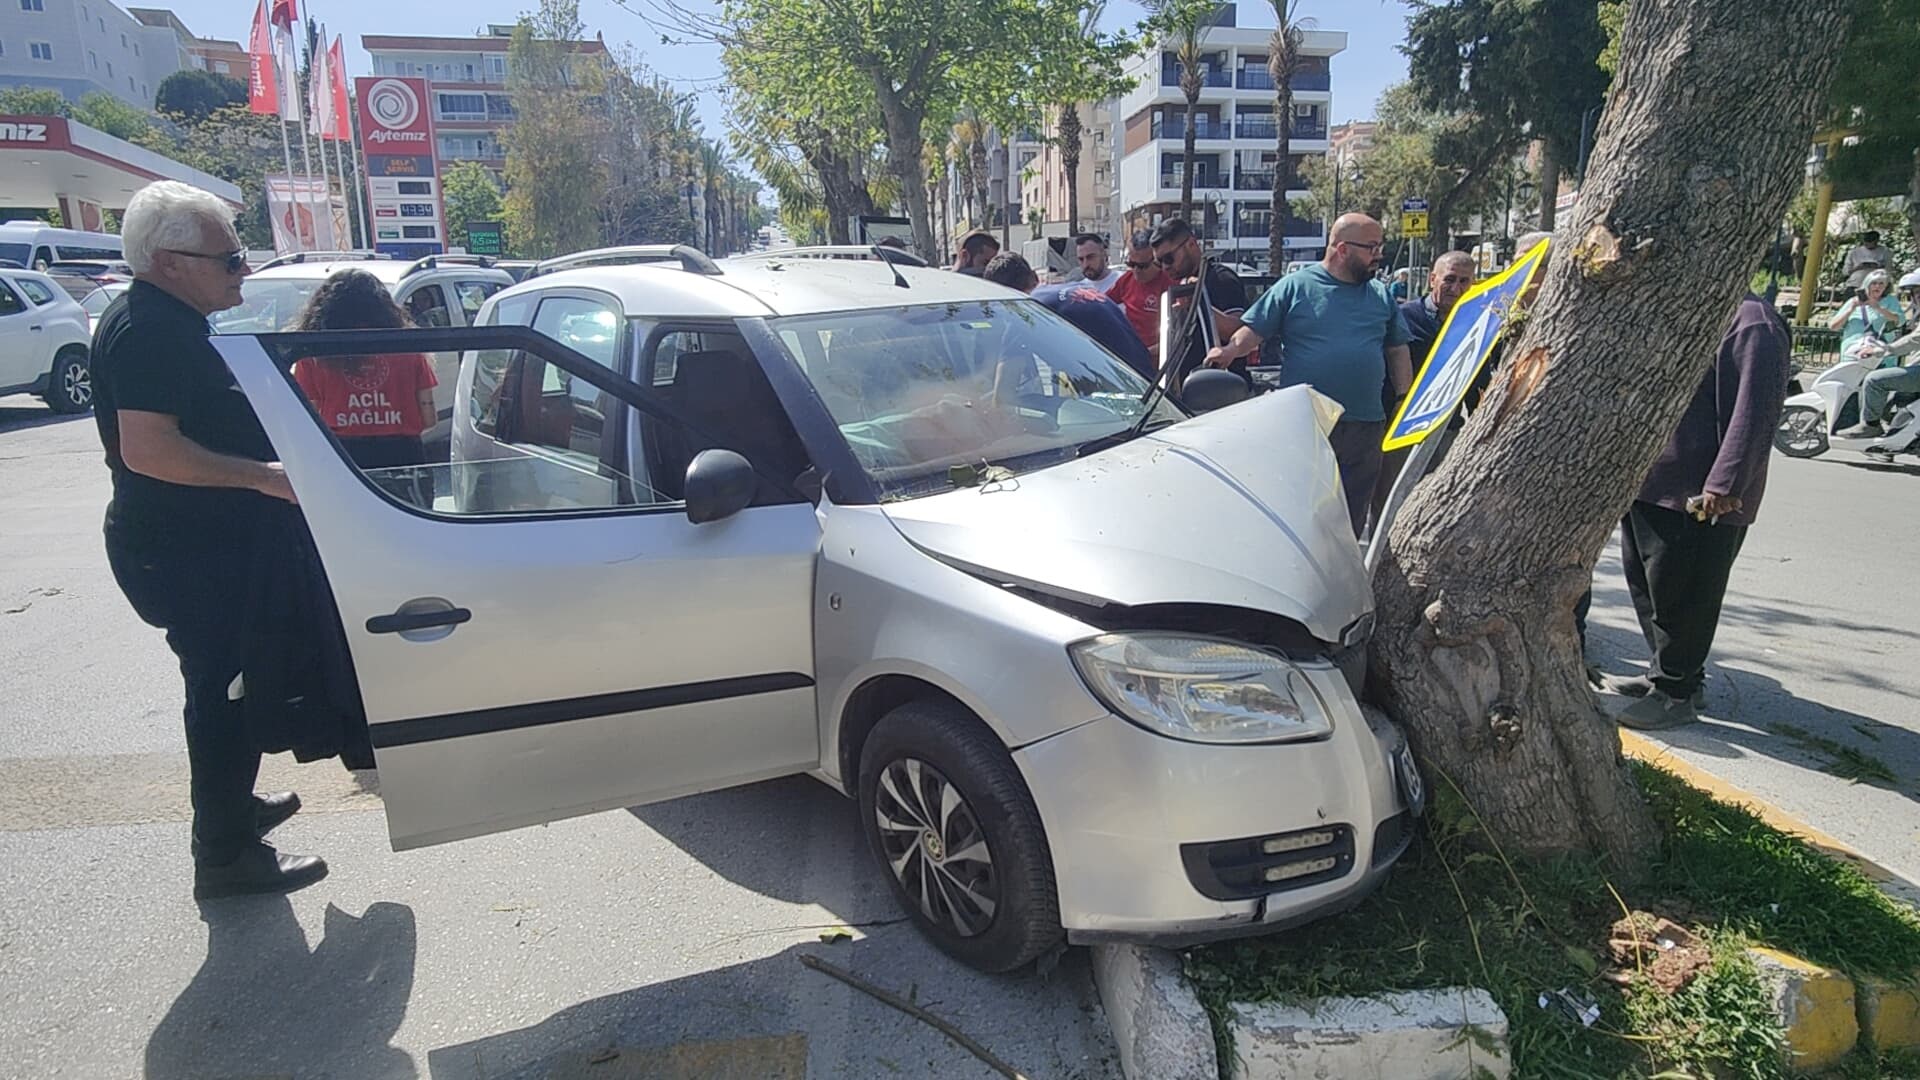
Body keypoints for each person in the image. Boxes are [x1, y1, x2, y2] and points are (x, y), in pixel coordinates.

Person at [90, 181, 325, 898]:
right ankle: (224, 855)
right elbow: (150, 450)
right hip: (188, 553)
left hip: (196, 546)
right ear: (168, 261)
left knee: (226, 687)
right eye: (228, 260)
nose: (241, 271)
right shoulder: (153, 331)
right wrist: (265, 477)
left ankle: (230, 810)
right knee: (224, 693)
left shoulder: (164, 319)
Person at [1601, 294, 1791, 729]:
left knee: (1686, 597)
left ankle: (1676, 693)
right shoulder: (1691, 308)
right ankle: (1666, 676)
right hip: (1653, 483)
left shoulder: (1751, 321)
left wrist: (1725, 484)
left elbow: (1754, 414)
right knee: (1651, 589)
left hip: (1699, 493)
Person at [1203, 213, 1412, 537]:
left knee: (1351, 520)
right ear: (1342, 249)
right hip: (1309, 424)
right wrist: (1229, 352)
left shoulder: (1380, 294)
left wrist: (1403, 397)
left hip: (1365, 426)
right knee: (1305, 516)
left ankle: (1344, 581)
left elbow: (1397, 349)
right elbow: (1255, 330)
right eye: (1372, 247)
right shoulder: (1296, 287)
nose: (1379, 255)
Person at [290, 270, 438, 473]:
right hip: (404, 456)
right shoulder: (407, 350)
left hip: (342, 457)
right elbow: (429, 418)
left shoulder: (313, 356)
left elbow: (306, 425)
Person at [1371, 251, 1477, 521]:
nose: (1456, 288)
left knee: (1441, 506)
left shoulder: (1476, 322)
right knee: (1391, 502)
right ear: (1433, 279)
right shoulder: (1405, 316)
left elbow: (1481, 378)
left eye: (1465, 281)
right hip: (1402, 427)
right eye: (1449, 279)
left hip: (1448, 429)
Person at [983, 251, 1154, 379]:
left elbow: (1003, 397)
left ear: (1000, 296)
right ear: (1035, 276)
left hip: (1122, 402)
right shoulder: (1075, 289)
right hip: (1151, 389)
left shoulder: (1026, 311)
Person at [1149, 218, 1247, 390]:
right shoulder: (1185, 285)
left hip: (1220, 392)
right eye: (1159, 262)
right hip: (1186, 393)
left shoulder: (1220, 279)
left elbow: (1238, 331)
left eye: (1169, 258)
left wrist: (1199, 303)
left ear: (1191, 244)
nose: (1165, 267)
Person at [1106, 230, 1171, 360]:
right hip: (1133, 359)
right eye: (1131, 264)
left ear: (1157, 260)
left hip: (1163, 363)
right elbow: (1103, 304)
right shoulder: (1126, 280)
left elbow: (1179, 335)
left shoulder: (1171, 283)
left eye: (1142, 266)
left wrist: (1148, 352)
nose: (1136, 271)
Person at [1829, 269, 1906, 362]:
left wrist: (1878, 308)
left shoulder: (1891, 301)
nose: (1877, 286)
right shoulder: (1853, 301)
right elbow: (1833, 326)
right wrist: (1851, 309)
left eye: (1881, 283)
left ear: (1886, 286)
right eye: (1874, 283)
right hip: (1853, 353)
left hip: (1880, 353)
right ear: (1867, 285)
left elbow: (1900, 320)